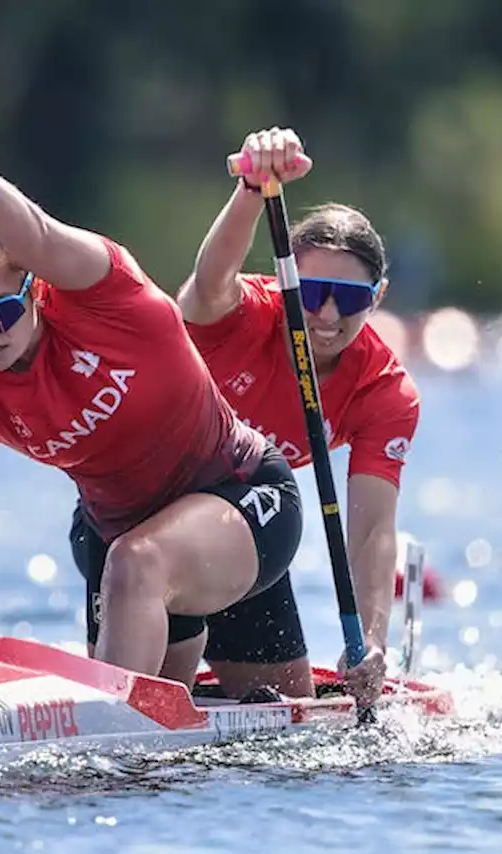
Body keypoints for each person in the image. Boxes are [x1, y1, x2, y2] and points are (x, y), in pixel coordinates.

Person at [0, 128, 306, 692]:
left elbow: (36, 233)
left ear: (33, 286)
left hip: (242, 498)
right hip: (117, 534)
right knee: (132, 582)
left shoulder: (100, 290)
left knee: (137, 565)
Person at [171, 125, 419, 704]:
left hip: (248, 529)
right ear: (285, 281)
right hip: (147, 511)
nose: (328, 316)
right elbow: (208, 281)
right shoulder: (238, 314)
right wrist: (253, 189)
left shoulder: (386, 392)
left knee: (287, 703)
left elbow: (372, 528)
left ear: (377, 297)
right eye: (309, 294)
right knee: (156, 693)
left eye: (352, 300)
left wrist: (374, 640)